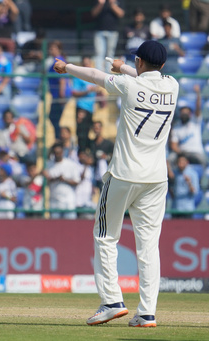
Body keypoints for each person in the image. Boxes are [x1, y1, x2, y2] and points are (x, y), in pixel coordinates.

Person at [54, 39, 178, 327]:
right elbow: (149, 78)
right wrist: (124, 67)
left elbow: (97, 77)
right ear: (163, 65)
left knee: (105, 236)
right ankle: (147, 312)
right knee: (148, 246)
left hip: (123, 174)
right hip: (156, 179)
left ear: (138, 62)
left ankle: (111, 301)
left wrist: (67, 67)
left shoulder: (129, 86)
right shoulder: (172, 86)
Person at [169, 84, 205, 166]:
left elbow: (198, 108)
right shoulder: (177, 127)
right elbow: (174, 145)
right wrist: (181, 153)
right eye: (183, 112)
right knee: (170, 158)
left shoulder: (195, 122)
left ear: (190, 114)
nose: (184, 114)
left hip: (196, 152)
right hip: (183, 153)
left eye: (186, 112)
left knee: (202, 161)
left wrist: (198, 93)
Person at [42, 142, 80, 219]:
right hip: (54, 201)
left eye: (59, 152)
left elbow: (76, 181)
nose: (57, 154)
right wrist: (54, 178)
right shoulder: (48, 165)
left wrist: (64, 180)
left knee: (70, 226)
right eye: (56, 153)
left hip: (68, 201)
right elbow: (46, 182)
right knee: (55, 228)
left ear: (62, 152)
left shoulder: (71, 164)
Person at [71, 56, 98, 152]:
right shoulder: (78, 77)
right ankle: (81, 153)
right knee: (81, 134)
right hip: (82, 108)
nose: (87, 66)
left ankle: (86, 154)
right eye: (85, 64)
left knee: (88, 132)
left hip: (91, 109)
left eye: (88, 63)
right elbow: (74, 92)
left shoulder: (93, 76)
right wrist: (86, 91)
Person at [91, 0, 125, 73]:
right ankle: (98, 74)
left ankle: (107, 74)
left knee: (110, 54)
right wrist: (100, 4)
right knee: (99, 53)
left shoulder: (117, 1)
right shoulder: (99, 1)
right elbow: (93, 13)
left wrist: (112, 4)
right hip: (99, 31)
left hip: (113, 31)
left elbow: (121, 14)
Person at [47, 40, 70, 140]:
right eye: (50, 48)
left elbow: (62, 80)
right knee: (54, 118)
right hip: (57, 94)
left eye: (53, 48)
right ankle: (59, 137)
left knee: (54, 117)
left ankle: (59, 138)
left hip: (60, 94)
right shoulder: (58, 60)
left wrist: (61, 94)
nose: (51, 51)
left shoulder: (58, 61)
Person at [168, 153, 200, 218]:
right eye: (179, 162)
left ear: (187, 162)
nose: (180, 164)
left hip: (187, 209)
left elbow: (195, 192)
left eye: (182, 162)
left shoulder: (192, 174)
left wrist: (189, 183)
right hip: (175, 208)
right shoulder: (175, 173)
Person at [88, 121, 114, 190]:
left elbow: (114, 157)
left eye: (98, 128)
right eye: (95, 128)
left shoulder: (108, 144)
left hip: (105, 173)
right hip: (93, 174)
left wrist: (106, 157)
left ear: (101, 128)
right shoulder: (91, 144)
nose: (96, 130)